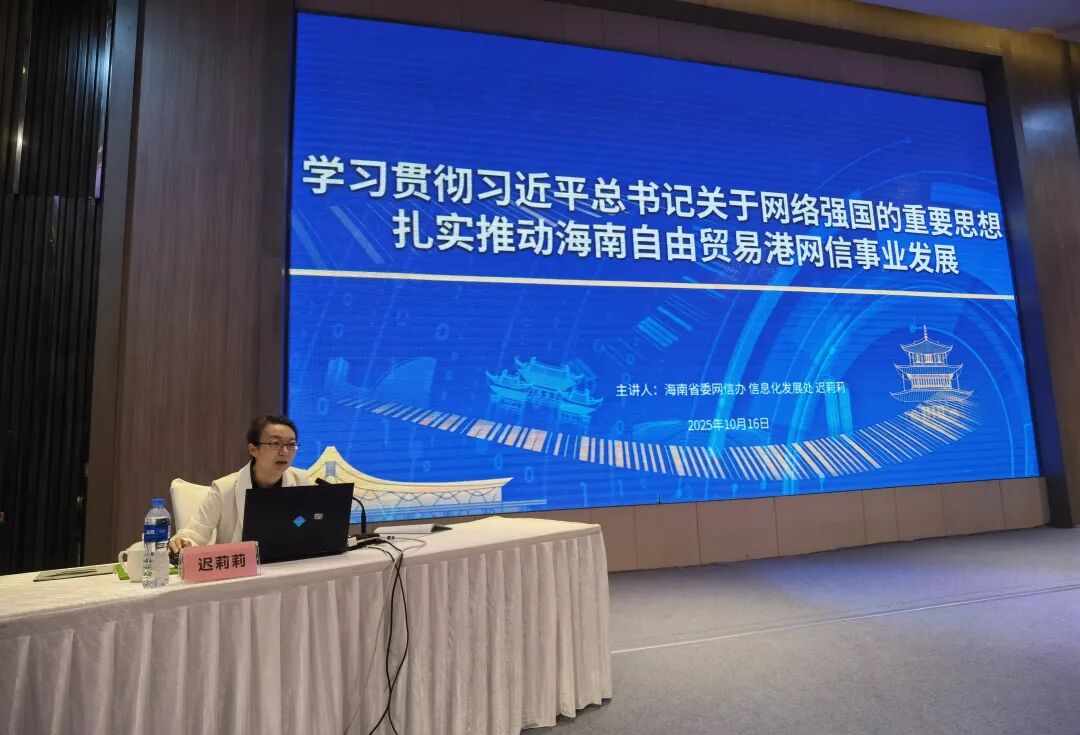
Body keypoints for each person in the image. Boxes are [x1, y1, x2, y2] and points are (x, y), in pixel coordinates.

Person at [169, 415, 310, 553]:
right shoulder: (224, 488)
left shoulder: (302, 480)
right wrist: (182, 541)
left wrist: (300, 524)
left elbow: (305, 522)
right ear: (253, 449)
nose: (285, 451)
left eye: (291, 444)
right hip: (240, 565)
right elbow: (194, 534)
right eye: (275, 443)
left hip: (288, 563)